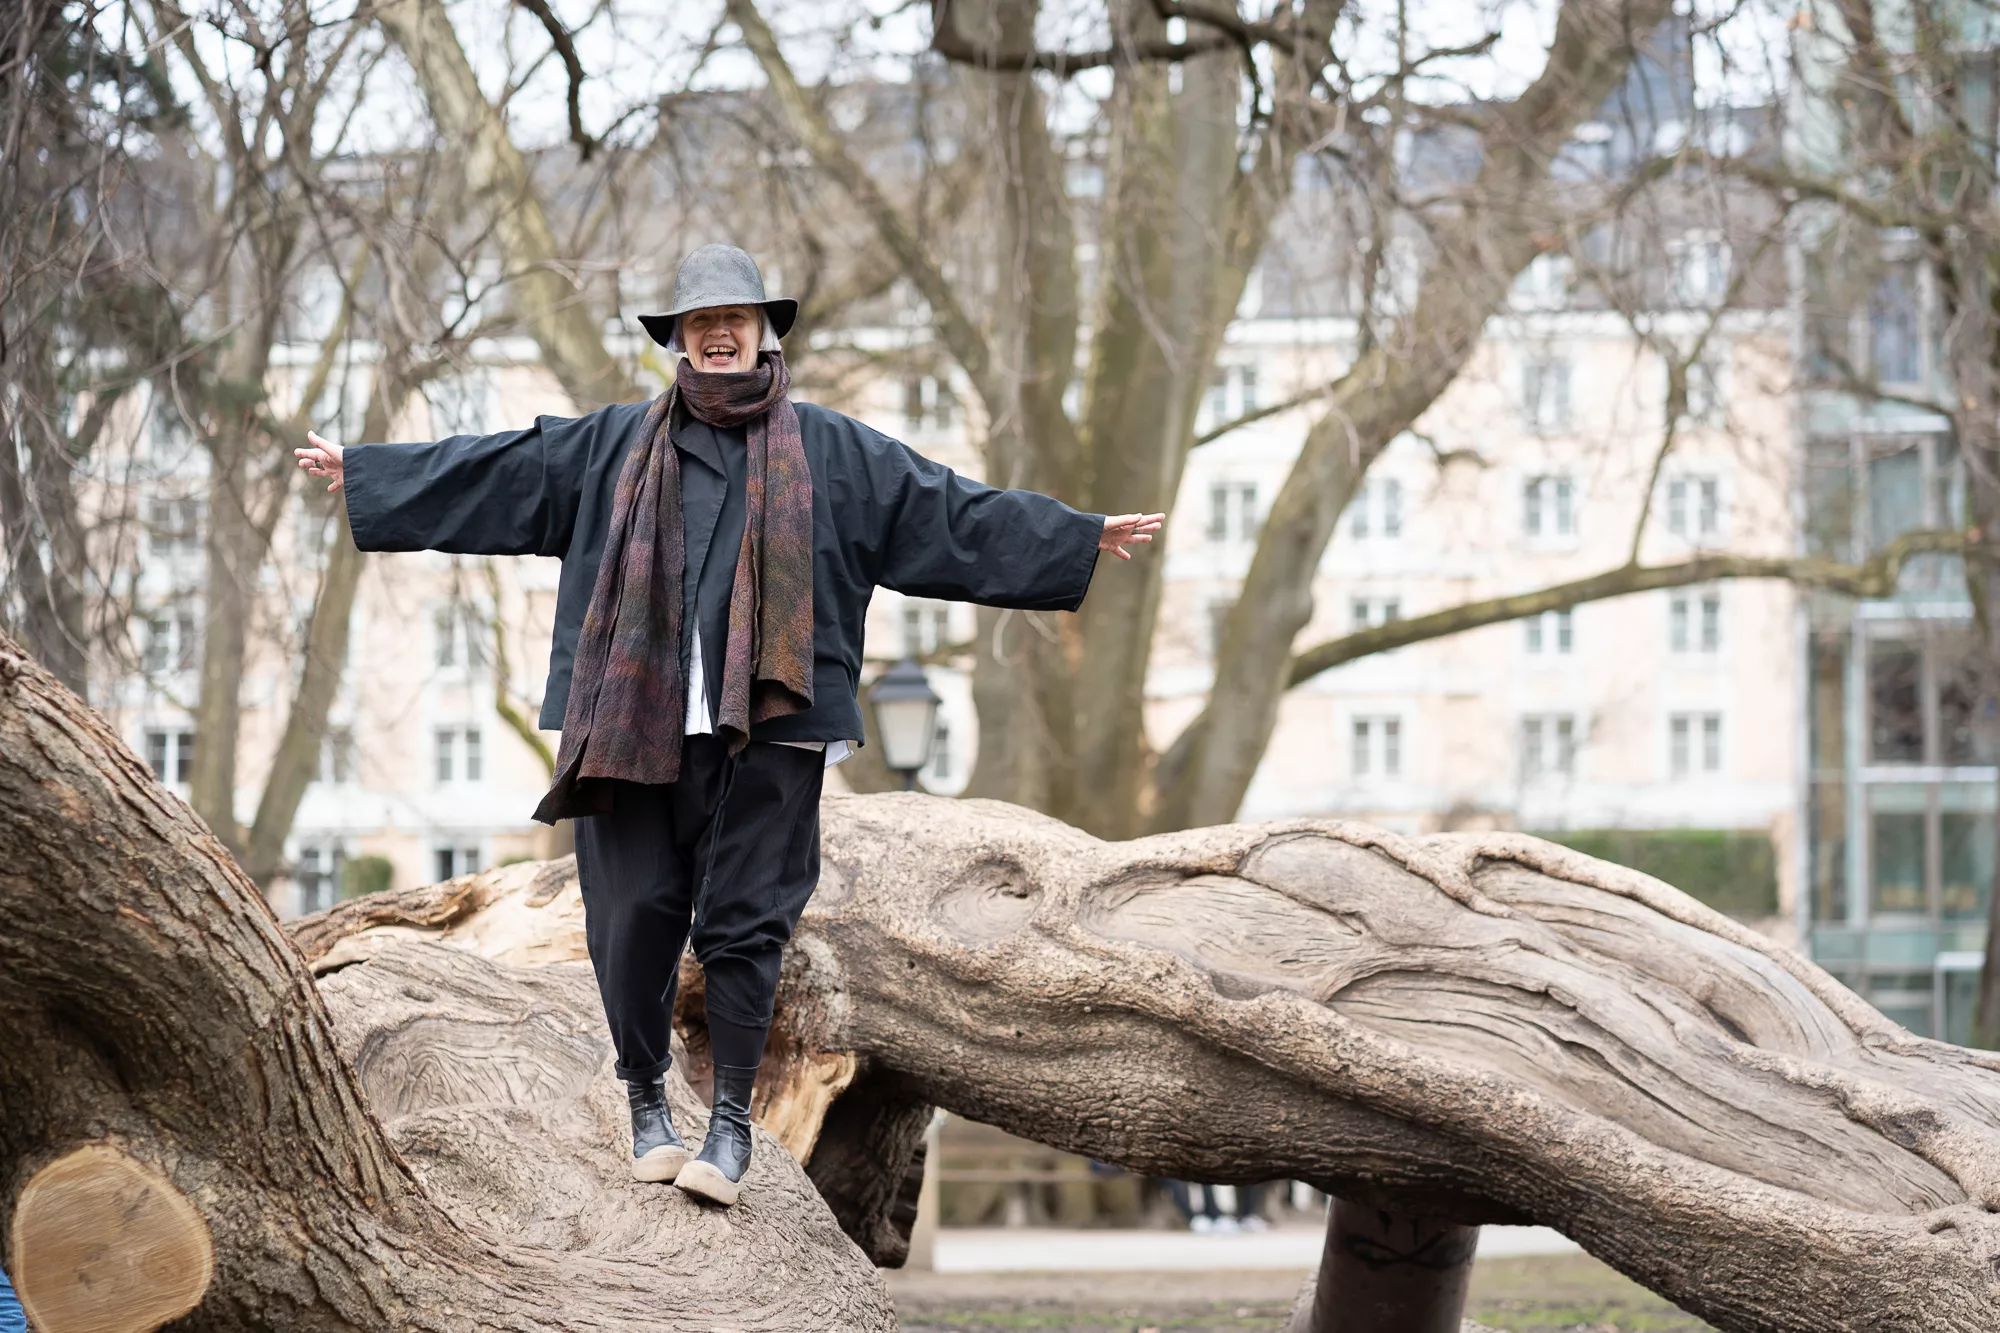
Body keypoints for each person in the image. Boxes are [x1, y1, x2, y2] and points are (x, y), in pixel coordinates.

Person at [294, 243, 1162, 1207]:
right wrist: (369, 474)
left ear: (761, 335)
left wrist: (1074, 536)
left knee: (746, 924)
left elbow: (948, 513)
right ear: (679, 339)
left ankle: (732, 1123)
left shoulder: (833, 452)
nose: (717, 334)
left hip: (775, 728)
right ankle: (646, 1102)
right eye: (700, 322)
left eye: (733, 320)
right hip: (629, 726)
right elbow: (496, 471)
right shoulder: (611, 447)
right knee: (631, 917)